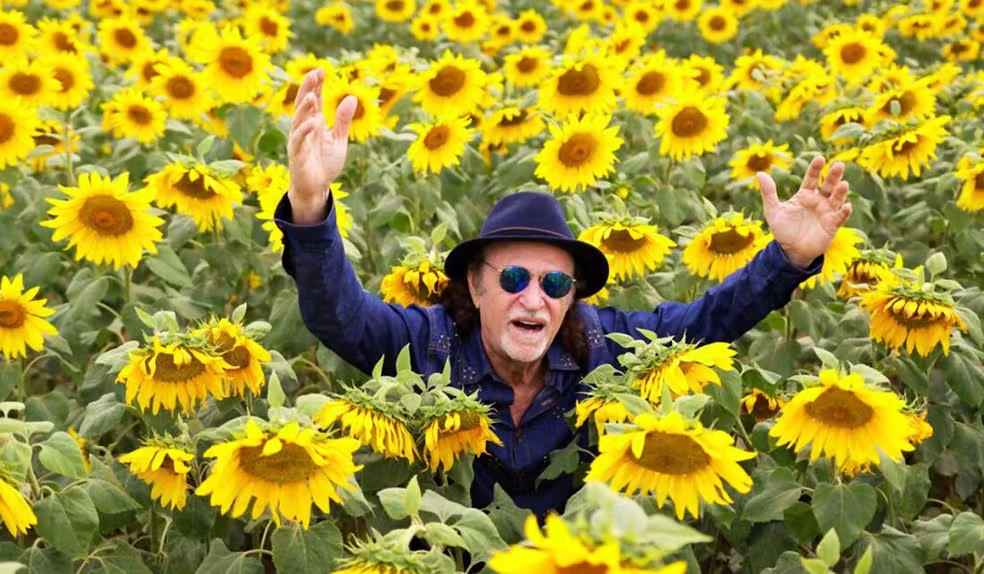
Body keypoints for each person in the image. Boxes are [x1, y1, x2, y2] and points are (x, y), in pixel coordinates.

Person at [275, 69, 853, 517]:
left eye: (555, 283)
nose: (535, 299)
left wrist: (790, 258)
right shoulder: (426, 347)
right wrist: (310, 205)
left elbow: (709, 322)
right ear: (475, 285)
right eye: (512, 278)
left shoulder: (603, 350)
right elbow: (339, 315)